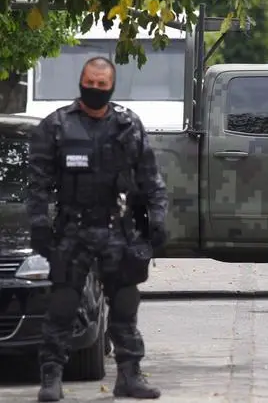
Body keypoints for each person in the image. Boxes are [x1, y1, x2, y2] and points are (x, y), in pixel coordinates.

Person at [27, 56, 168, 402]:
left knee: (124, 305)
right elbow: (38, 184)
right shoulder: (57, 125)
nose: (95, 90)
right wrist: (39, 225)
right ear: (80, 81)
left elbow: (152, 180)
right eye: (89, 83)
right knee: (62, 305)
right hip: (71, 230)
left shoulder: (127, 125)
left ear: (112, 87)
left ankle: (129, 376)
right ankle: (51, 378)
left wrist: (158, 219)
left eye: (102, 85)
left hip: (117, 229)